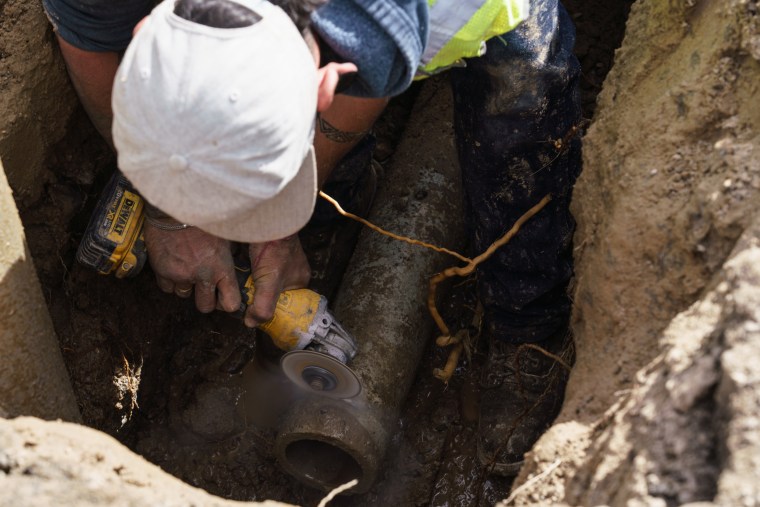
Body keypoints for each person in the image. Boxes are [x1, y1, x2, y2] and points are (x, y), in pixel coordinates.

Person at [42, 0, 581, 477]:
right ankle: (322, 240)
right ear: (145, 31)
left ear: (324, 83)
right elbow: (87, 42)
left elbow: (351, 105)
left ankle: (526, 324)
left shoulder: (374, 36)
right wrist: (170, 212)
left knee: (517, 105)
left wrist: (279, 222)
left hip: (472, 10)